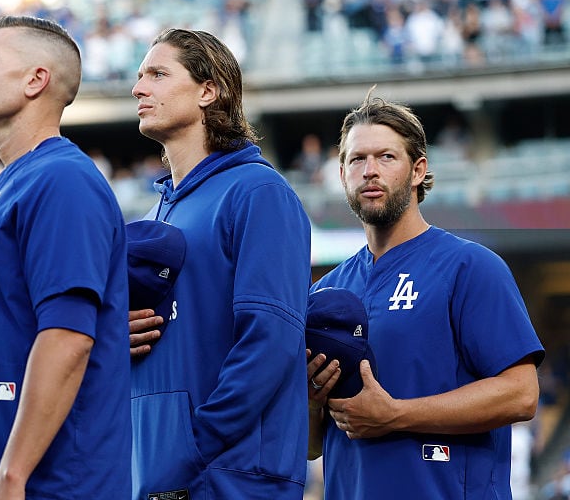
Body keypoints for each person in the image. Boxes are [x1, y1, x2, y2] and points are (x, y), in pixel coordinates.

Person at [306, 90, 544, 500]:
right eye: (356, 160)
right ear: (341, 173)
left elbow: (521, 395)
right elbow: (312, 446)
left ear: (418, 170)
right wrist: (313, 404)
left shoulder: (470, 267)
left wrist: (395, 416)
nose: (369, 171)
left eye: (386, 157)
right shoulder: (325, 292)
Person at [0, 15, 131, 499]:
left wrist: (12, 474)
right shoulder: (8, 186)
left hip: (48, 485)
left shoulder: (62, 179)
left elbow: (68, 338)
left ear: (35, 80)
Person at [126, 28, 313, 498]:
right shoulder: (154, 213)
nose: (138, 88)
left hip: (230, 476)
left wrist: (195, 444)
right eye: (140, 75)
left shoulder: (258, 192)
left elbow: (269, 339)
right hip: (154, 471)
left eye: (158, 74)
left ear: (209, 91)